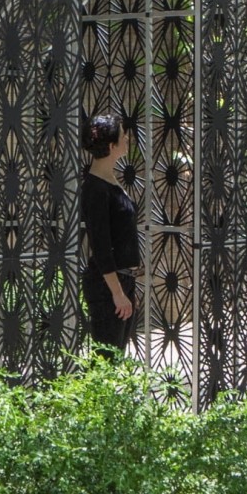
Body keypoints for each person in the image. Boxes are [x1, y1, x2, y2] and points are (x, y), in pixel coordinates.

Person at [80, 113, 141, 358]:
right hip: (107, 286)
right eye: (123, 135)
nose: (127, 139)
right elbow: (101, 245)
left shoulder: (108, 181)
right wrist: (117, 293)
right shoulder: (95, 188)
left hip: (121, 280)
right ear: (112, 145)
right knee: (105, 361)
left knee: (113, 359)